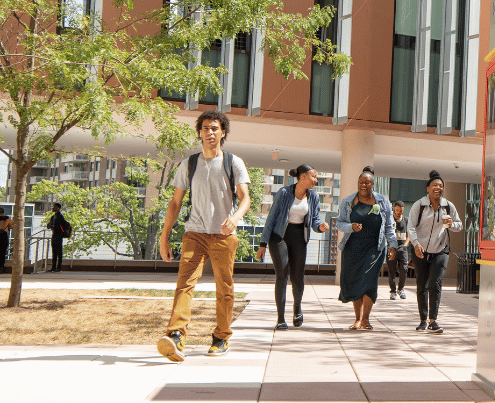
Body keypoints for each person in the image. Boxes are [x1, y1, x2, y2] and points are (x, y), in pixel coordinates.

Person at [157, 110, 251, 362]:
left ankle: (221, 337)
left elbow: (245, 198)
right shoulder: (189, 164)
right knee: (184, 283)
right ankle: (176, 335)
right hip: (194, 234)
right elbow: (175, 203)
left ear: (222, 133)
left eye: (215, 128)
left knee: (225, 288)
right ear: (199, 132)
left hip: (223, 236)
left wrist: (235, 218)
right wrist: (164, 237)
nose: (210, 132)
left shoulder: (234, 162)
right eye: (206, 128)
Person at [257, 164, 328, 330]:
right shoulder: (284, 193)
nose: (316, 181)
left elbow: (315, 219)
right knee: (282, 276)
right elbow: (271, 218)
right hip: (279, 237)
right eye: (314, 177)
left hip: (299, 237)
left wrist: (319, 227)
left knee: (297, 277)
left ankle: (297, 307)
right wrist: (262, 244)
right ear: (303, 177)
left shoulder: (313, 197)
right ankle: (280, 318)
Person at [335, 166, 396, 330]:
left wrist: (393, 245)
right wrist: (351, 227)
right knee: (356, 281)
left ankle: (366, 319)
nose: (364, 185)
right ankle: (357, 319)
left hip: (374, 249)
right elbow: (339, 223)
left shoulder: (382, 201)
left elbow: (389, 225)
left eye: (367, 182)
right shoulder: (348, 202)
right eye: (361, 182)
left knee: (369, 282)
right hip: (353, 248)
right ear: (357, 183)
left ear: (373, 184)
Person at [408, 170, 462, 334]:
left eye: (440, 186)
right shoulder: (420, 205)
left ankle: (433, 320)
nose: (438, 188)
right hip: (421, 251)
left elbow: (459, 226)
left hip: (440, 250)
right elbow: (410, 226)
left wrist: (452, 224)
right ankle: (423, 320)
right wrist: (416, 244)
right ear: (428, 188)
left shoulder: (448, 205)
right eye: (434, 185)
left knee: (435, 284)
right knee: (422, 285)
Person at [387, 200, 410, 299]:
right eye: (397, 210)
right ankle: (393, 291)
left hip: (403, 248)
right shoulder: (390, 220)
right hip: (392, 248)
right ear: (394, 208)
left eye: (400, 210)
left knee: (404, 269)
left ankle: (401, 289)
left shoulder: (406, 220)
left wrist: (405, 245)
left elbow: (410, 235)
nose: (398, 212)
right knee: (391, 270)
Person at [46, 203, 70, 272]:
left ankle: (58, 268)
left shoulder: (60, 217)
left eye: (54, 207)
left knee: (59, 252)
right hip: (54, 236)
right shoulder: (53, 217)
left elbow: (57, 226)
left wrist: (51, 226)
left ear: (58, 208)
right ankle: (53, 267)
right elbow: (49, 225)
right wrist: (49, 225)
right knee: (54, 252)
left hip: (59, 236)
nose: (52, 208)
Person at [0, 208, 11, 273]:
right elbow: (12, 226)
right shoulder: (7, 218)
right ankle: (1, 267)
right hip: (3, 235)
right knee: (2, 252)